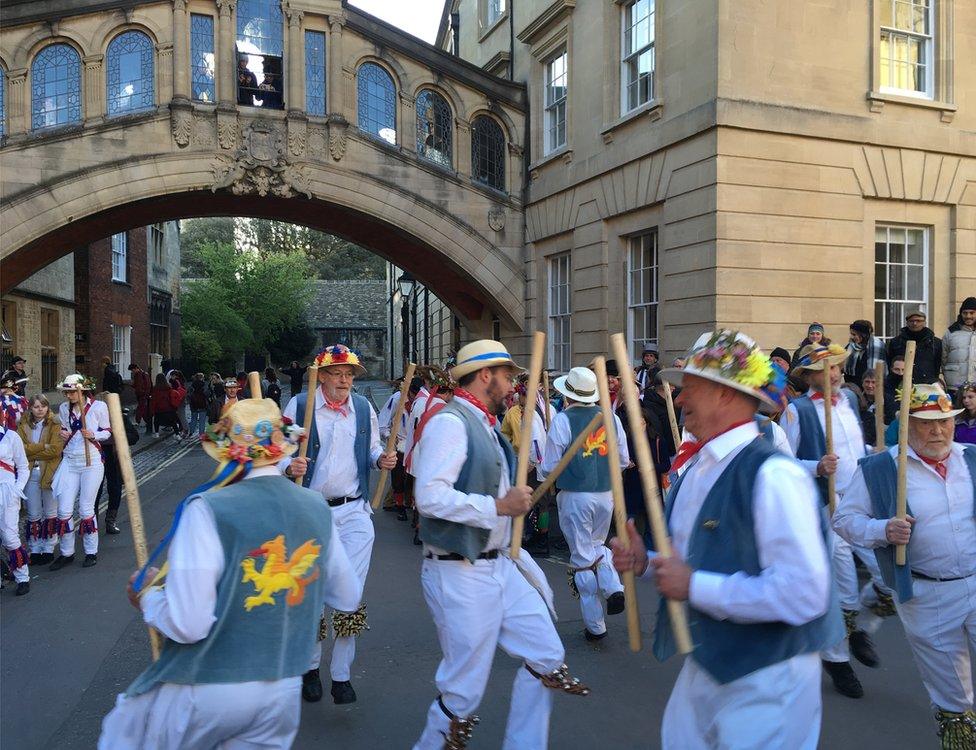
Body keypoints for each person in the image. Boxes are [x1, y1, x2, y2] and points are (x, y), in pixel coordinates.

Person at [611, 329, 837, 750]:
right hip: (707, 665)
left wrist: (693, 585)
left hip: (769, 679)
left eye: (689, 388)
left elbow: (805, 594)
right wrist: (647, 562)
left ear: (725, 394)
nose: (678, 401)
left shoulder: (774, 474)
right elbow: (698, 560)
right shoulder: (698, 468)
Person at [98, 397, 362, 749]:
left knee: (123, 735)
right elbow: (347, 596)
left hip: (207, 687)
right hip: (281, 692)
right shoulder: (317, 507)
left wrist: (149, 596)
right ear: (281, 450)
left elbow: (189, 624)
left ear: (226, 454)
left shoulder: (208, 508)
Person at [411, 340, 589, 750]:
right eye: (508, 374)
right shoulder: (450, 422)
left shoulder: (486, 423)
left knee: (545, 653)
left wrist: (513, 494)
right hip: (458, 570)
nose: (513, 383)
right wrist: (498, 505)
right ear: (485, 374)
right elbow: (430, 497)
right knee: (463, 689)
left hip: (501, 563)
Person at [832, 383, 976, 748]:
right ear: (906, 424)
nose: (938, 430)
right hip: (926, 594)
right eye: (926, 423)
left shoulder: (971, 457)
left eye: (944, 421)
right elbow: (845, 521)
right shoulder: (882, 469)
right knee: (952, 692)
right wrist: (883, 529)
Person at [281, 344, 396, 706]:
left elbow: (373, 449)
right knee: (313, 591)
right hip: (310, 511)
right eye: (338, 373)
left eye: (350, 374)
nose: (345, 380)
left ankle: (342, 676)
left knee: (350, 594)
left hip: (354, 511)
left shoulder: (362, 407)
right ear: (322, 376)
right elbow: (279, 452)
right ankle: (310, 668)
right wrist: (288, 466)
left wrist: (384, 459)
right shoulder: (299, 406)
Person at [783, 343, 879, 698]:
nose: (834, 374)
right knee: (839, 583)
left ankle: (860, 628)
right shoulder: (797, 411)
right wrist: (816, 467)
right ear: (808, 377)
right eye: (824, 370)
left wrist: (875, 453)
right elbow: (784, 461)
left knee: (888, 574)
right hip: (828, 505)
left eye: (837, 367)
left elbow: (857, 449)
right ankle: (836, 658)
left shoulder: (852, 401)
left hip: (865, 499)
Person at [539, 366, 628, 641]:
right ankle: (613, 586)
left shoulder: (563, 420)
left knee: (580, 555)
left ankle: (595, 625)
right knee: (597, 545)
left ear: (568, 393)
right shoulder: (611, 418)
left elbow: (550, 467)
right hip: (605, 494)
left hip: (575, 495)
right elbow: (623, 460)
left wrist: (543, 473)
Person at [51, 374, 111, 570]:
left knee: (86, 508)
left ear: (82, 390)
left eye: (71, 391)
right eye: (66, 392)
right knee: (64, 510)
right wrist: (64, 433)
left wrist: (94, 434)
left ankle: (91, 551)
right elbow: (65, 429)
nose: (68, 395)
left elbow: (108, 431)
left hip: (91, 461)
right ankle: (67, 553)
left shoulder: (98, 407)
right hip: (69, 460)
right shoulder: (63, 408)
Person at [18, 395, 63, 564]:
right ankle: (35, 548)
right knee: (33, 513)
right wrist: (43, 447)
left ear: (47, 407)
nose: (40, 409)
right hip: (30, 473)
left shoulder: (55, 423)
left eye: (43, 406)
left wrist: (32, 451)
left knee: (50, 512)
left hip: (49, 472)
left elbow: (55, 450)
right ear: (30, 408)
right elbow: (20, 449)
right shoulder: (22, 424)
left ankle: (49, 547)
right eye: (36, 406)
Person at [1, 395, 31, 595]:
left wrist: (17, 488)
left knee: (10, 536)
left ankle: (22, 576)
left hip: (7, 491)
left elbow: (23, 466)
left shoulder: (11, 437)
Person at [99, 402, 139, 536]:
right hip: (97, 456)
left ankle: (111, 521)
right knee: (95, 491)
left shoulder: (120, 417)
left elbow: (134, 437)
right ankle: (91, 522)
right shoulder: (93, 418)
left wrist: (119, 435)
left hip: (114, 456)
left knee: (115, 488)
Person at [886, 310, 943, 384]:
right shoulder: (895, 342)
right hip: (900, 384)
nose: (915, 323)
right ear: (907, 323)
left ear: (924, 322)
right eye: (911, 321)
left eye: (918, 321)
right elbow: (890, 363)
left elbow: (938, 365)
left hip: (927, 385)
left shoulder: (936, 343)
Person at [943, 297, 976, 395]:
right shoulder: (951, 332)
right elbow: (943, 359)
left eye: (972, 313)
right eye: (965, 313)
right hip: (955, 387)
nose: (968, 316)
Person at [844, 320, 885, 385]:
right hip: (853, 387)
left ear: (863, 335)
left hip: (871, 387)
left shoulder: (877, 346)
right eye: (851, 334)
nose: (851, 337)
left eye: (854, 334)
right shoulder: (850, 346)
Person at [149, 373, 180, 439]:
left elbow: (154, 401)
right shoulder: (168, 387)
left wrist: (152, 410)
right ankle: (177, 435)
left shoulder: (155, 389)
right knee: (173, 422)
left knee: (156, 421)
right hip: (169, 408)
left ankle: (157, 434)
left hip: (159, 409)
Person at [128, 363, 152, 429]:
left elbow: (144, 386)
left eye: (132, 370)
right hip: (141, 394)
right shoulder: (142, 374)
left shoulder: (141, 375)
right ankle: (148, 421)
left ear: (136, 368)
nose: (132, 372)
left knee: (140, 408)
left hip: (142, 395)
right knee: (143, 409)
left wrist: (144, 393)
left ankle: (137, 421)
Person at [187, 373, 209, 437]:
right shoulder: (204, 385)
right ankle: (201, 434)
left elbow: (188, 395)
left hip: (194, 405)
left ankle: (191, 432)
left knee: (193, 419)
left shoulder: (191, 385)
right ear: (202, 378)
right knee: (202, 421)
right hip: (203, 405)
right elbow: (207, 394)